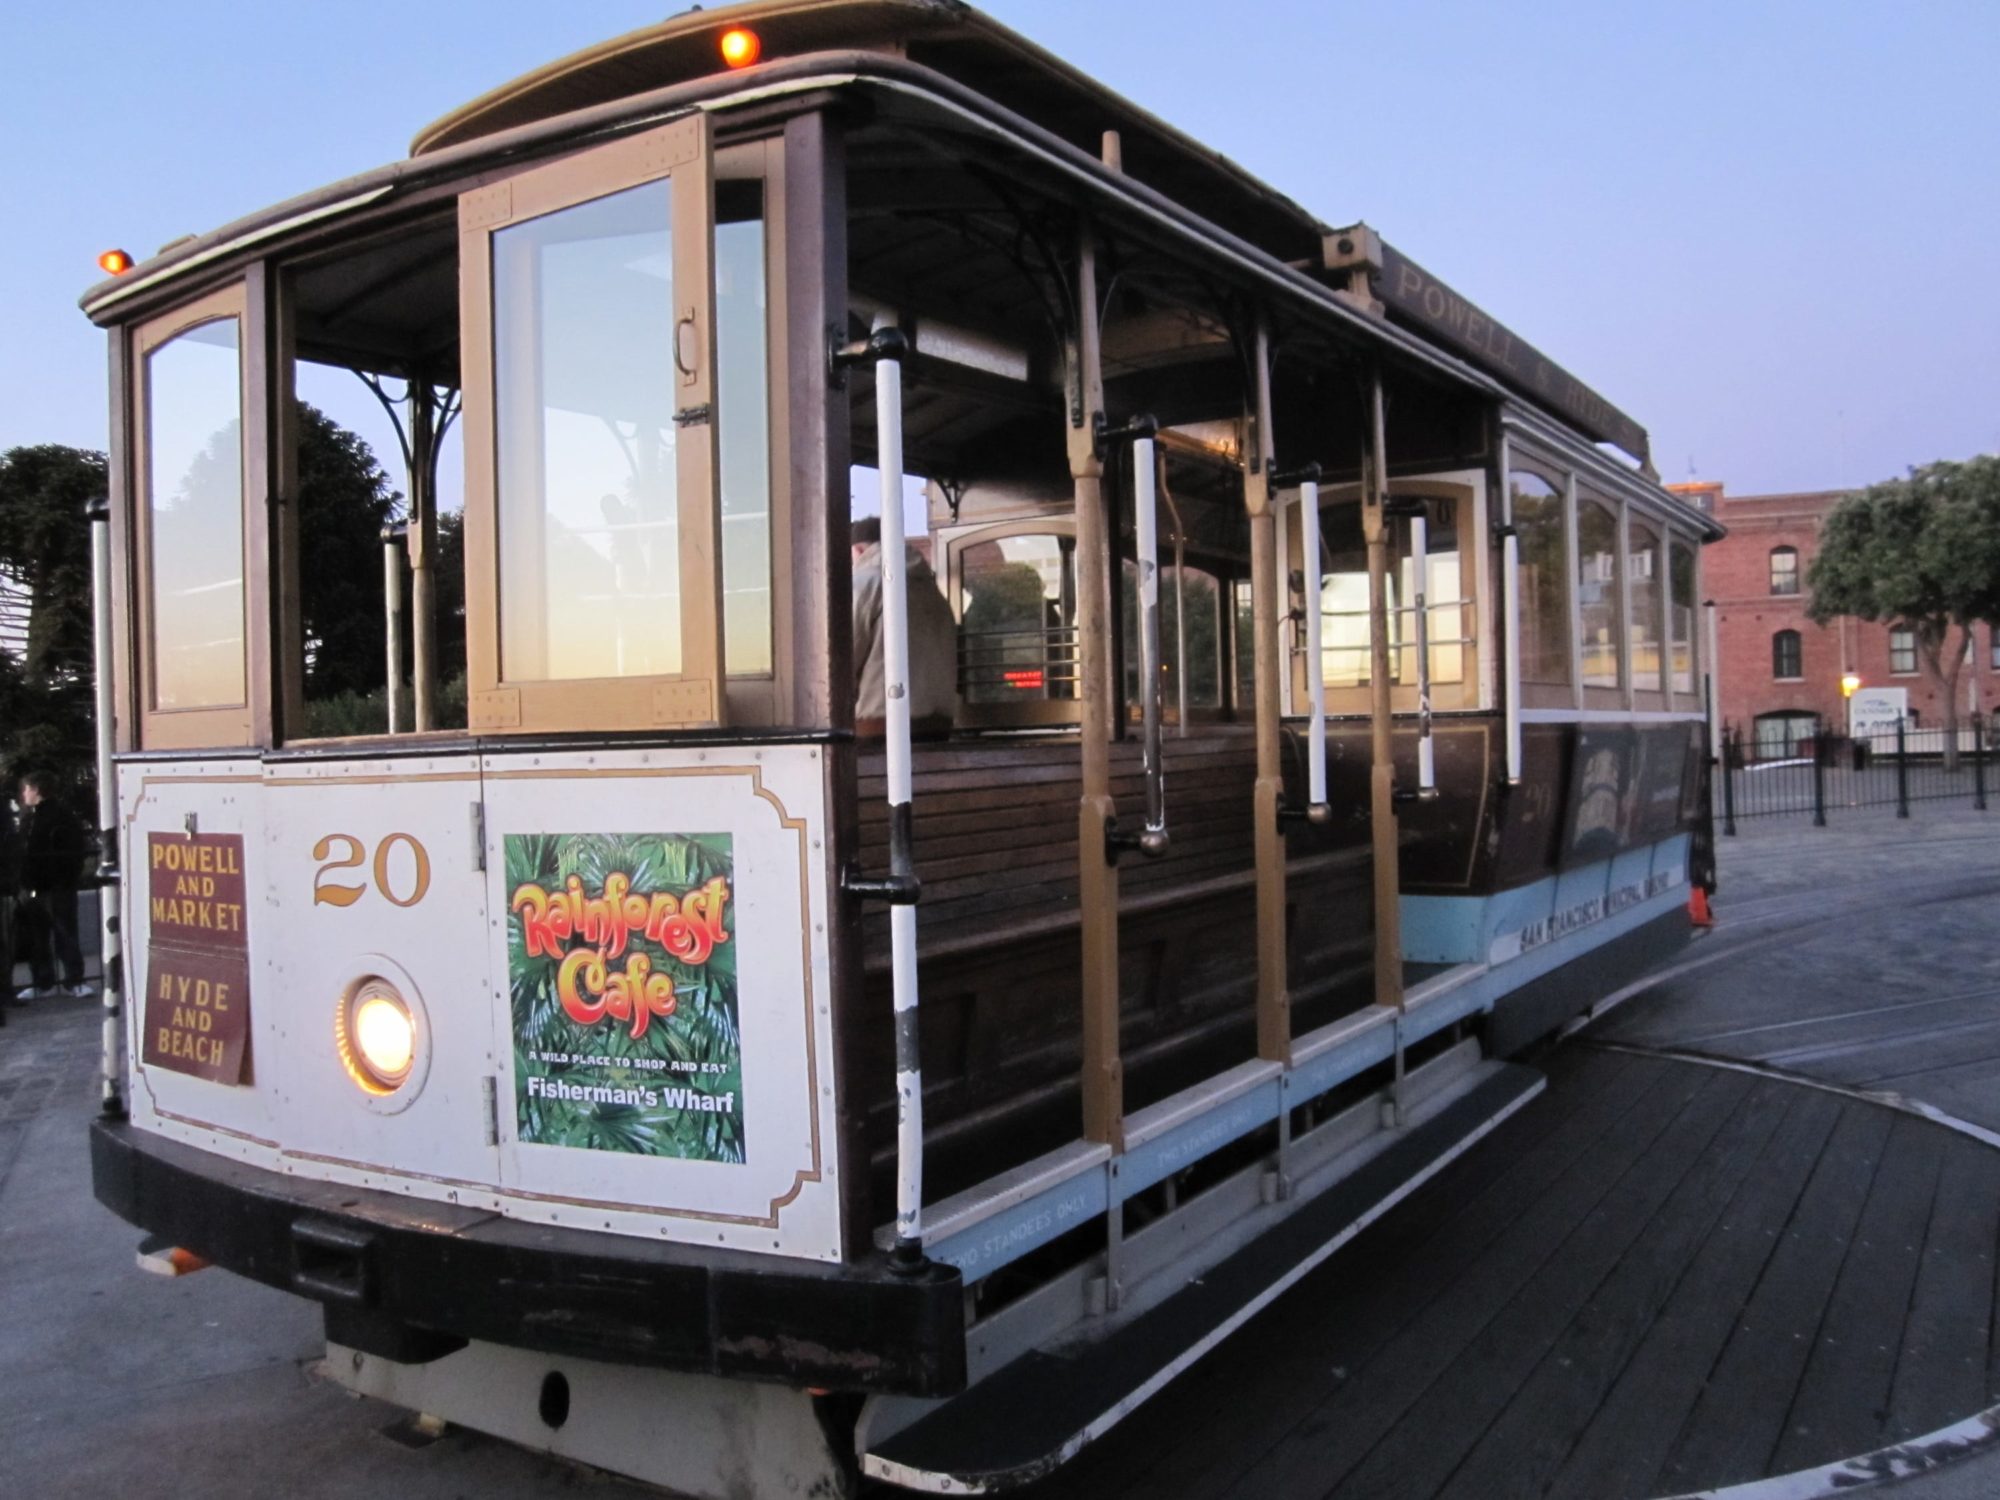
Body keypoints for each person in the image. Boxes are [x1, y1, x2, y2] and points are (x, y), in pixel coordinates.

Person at [852, 517, 958, 739]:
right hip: (937, 725)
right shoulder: (933, 592)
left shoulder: (865, 583)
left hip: (881, 726)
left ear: (858, 550)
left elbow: (842, 661)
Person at [18, 774, 89, 999]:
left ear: (36, 789)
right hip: (37, 886)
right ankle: (45, 981)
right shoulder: (30, 817)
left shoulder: (57, 816)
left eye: (26, 790)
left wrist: (65, 878)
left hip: (56, 886)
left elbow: (74, 850)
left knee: (64, 934)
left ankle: (72, 980)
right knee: (38, 939)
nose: (23, 795)